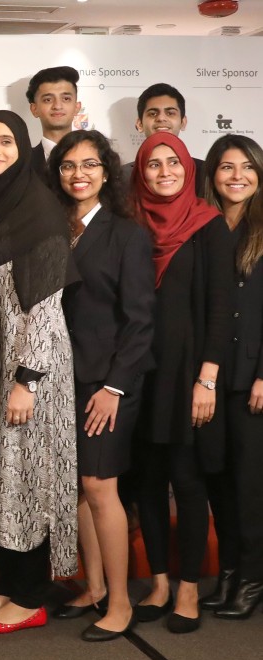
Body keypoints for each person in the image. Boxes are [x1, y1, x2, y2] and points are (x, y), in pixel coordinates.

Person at [0, 110, 78, 634]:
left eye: (6, 141)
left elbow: (46, 309)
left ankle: (31, 596)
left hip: (33, 367)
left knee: (28, 478)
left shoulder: (39, 209)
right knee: (1, 480)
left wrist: (26, 379)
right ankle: (8, 585)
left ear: (22, 147)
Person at [48, 130, 155, 641]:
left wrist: (113, 387)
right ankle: (91, 587)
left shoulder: (127, 234)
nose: (78, 174)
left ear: (106, 172)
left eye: (88, 164)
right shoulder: (53, 230)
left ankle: (120, 602)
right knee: (75, 490)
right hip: (61, 378)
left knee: (99, 486)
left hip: (108, 383)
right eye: (68, 166)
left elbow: (140, 321)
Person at [130, 132, 233, 634]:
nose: (164, 171)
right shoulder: (130, 222)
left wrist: (207, 379)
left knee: (187, 482)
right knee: (146, 483)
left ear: (188, 168)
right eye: (153, 164)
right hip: (139, 372)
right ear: (140, 171)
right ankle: (160, 582)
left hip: (189, 372)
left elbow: (220, 307)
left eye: (173, 162)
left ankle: (190, 586)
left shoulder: (208, 226)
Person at [200, 134, 263, 619]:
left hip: (252, 381)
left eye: (246, 167)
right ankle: (228, 574)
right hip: (212, 377)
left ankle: (253, 578)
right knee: (217, 481)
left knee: (250, 486)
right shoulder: (205, 227)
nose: (236, 175)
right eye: (226, 167)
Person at [122, 84, 206, 196]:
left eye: (170, 113)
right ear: (140, 124)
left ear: (183, 122)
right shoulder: (121, 177)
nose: (161, 118)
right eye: (153, 114)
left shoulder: (206, 173)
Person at [25, 66, 81, 181]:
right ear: (34, 109)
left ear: (77, 107)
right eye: (48, 100)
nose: (57, 106)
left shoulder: (96, 158)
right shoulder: (23, 162)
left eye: (66, 99)